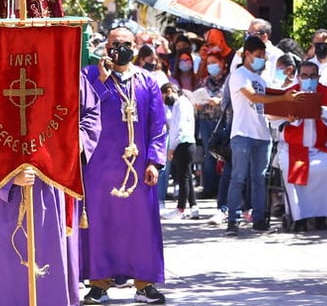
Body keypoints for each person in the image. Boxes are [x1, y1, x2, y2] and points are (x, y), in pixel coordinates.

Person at [0, 74, 100, 306]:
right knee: (6, 263)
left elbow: (91, 115)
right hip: (7, 187)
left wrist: (64, 148)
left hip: (52, 180)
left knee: (51, 260)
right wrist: (7, 177)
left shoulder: (65, 69)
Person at [80, 25, 167, 305]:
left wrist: (154, 161)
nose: (121, 49)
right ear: (106, 49)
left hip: (138, 167)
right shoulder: (90, 76)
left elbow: (158, 125)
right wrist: (103, 80)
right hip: (99, 168)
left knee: (141, 226)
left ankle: (144, 284)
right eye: (115, 44)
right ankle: (98, 284)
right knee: (100, 224)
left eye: (127, 43)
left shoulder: (147, 80)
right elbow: (85, 111)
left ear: (135, 46)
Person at [271, 61, 327, 232]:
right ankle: (299, 216)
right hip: (293, 148)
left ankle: (322, 215)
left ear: (318, 77)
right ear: (298, 77)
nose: (308, 79)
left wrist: (324, 111)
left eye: (312, 76)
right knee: (291, 169)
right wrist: (289, 118)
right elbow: (273, 119)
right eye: (304, 76)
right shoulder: (289, 93)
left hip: (319, 147)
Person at [225, 35, 289, 236]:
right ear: (247, 54)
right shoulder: (239, 75)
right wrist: (284, 97)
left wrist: (287, 113)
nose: (261, 59)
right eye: (258, 55)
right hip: (242, 133)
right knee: (238, 177)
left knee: (259, 179)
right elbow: (253, 97)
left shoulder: (262, 79)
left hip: (263, 135)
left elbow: (266, 109)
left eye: (263, 55)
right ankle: (233, 219)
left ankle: (259, 219)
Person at [161, 83, 199, 220]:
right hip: (189, 142)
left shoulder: (179, 104)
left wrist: (171, 147)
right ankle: (194, 206)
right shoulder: (186, 103)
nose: (164, 99)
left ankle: (180, 209)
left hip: (182, 143)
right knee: (187, 176)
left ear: (170, 91)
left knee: (182, 177)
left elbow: (178, 127)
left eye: (164, 96)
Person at [194, 51, 228, 198]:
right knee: (209, 154)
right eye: (208, 63)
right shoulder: (204, 81)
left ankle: (222, 187)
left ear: (222, 63)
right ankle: (209, 187)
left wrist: (218, 101)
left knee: (222, 153)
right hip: (205, 120)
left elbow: (228, 99)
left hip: (221, 120)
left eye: (214, 62)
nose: (211, 66)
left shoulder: (228, 81)